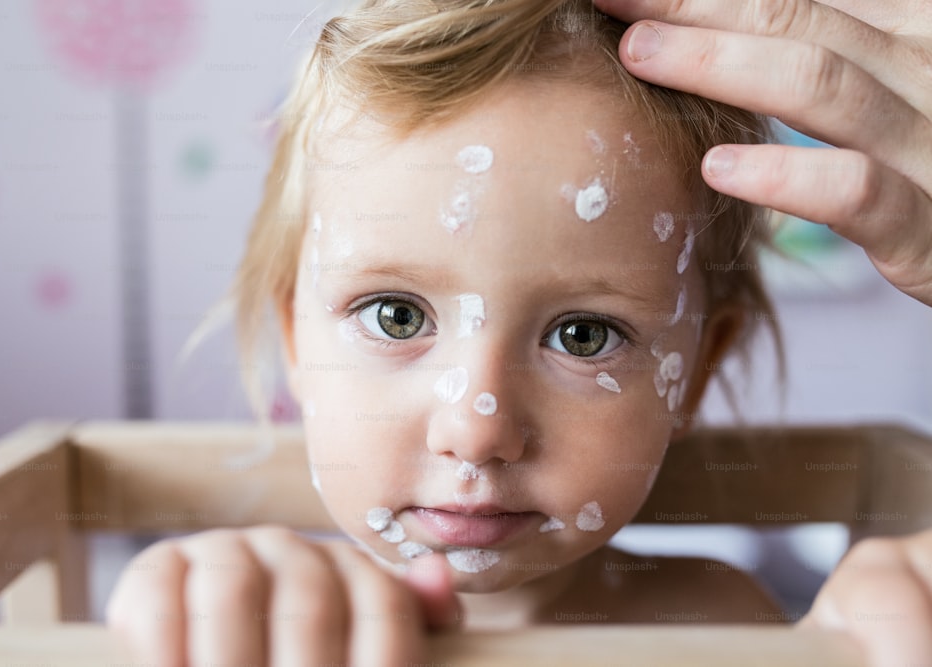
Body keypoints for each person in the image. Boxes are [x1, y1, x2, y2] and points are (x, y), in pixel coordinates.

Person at [105, 1, 932, 666]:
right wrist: (199, 604)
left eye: (582, 334)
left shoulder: (720, 628)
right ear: (295, 339)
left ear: (700, 366)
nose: (477, 426)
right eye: (397, 316)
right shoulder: (273, 624)